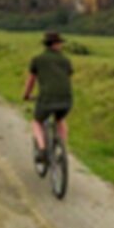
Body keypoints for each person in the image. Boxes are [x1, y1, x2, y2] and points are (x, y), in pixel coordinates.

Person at [23, 31, 73, 161]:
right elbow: (66, 77)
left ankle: (42, 149)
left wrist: (27, 95)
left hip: (47, 98)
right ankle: (62, 149)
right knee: (60, 120)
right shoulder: (65, 60)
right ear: (57, 44)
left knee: (36, 122)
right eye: (60, 43)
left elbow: (31, 80)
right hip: (66, 99)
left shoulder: (38, 59)